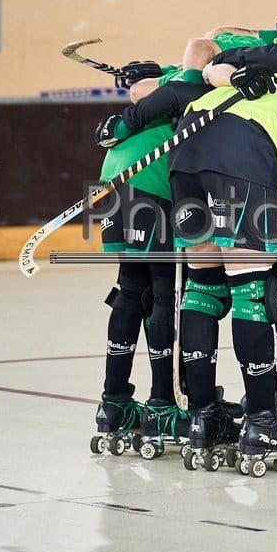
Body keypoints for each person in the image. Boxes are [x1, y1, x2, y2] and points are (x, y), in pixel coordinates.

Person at [167, 33, 277, 475]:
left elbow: (200, 61)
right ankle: (263, 419)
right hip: (241, 156)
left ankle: (204, 416)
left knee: (203, 289)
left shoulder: (248, 78)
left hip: (187, 151)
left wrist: (215, 71)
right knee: (253, 294)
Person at [89, 62, 186, 459]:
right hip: (149, 179)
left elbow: (139, 87)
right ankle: (162, 404)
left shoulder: (166, 79)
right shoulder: (185, 79)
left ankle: (114, 402)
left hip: (114, 178)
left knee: (131, 289)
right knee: (161, 292)